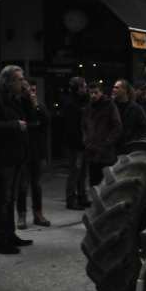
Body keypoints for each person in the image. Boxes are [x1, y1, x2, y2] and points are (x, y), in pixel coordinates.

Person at [0, 65, 33, 254]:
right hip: (3, 158)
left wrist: (29, 98)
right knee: (3, 199)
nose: (23, 83)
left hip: (16, 156)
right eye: (20, 79)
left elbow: (32, 118)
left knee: (10, 198)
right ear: (9, 81)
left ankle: (10, 235)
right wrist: (14, 125)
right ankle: (0, 240)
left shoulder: (15, 99)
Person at [16, 79, 51, 229]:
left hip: (37, 150)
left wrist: (36, 104)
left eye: (34, 90)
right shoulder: (18, 104)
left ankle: (38, 213)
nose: (32, 93)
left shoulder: (38, 105)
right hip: (23, 150)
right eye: (29, 90)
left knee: (37, 184)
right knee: (22, 185)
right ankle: (21, 215)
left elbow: (47, 121)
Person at [83, 81, 122, 187]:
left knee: (106, 182)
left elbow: (117, 126)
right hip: (93, 151)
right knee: (94, 181)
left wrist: (107, 143)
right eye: (91, 93)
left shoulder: (109, 105)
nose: (93, 95)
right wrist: (87, 141)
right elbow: (85, 126)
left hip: (105, 151)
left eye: (96, 93)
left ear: (101, 92)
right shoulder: (89, 107)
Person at [63, 77, 89, 210]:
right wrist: (80, 143)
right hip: (76, 144)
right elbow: (72, 128)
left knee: (81, 173)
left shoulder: (78, 102)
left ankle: (81, 197)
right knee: (75, 172)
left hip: (79, 143)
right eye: (83, 86)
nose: (86, 89)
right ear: (78, 88)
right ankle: (71, 200)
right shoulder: (72, 104)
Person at [112, 79, 146, 152]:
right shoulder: (110, 106)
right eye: (114, 87)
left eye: (117, 87)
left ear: (124, 90)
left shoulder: (135, 108)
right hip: (112, 147)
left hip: (128, 148)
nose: (113, 89)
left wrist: (133, 140)